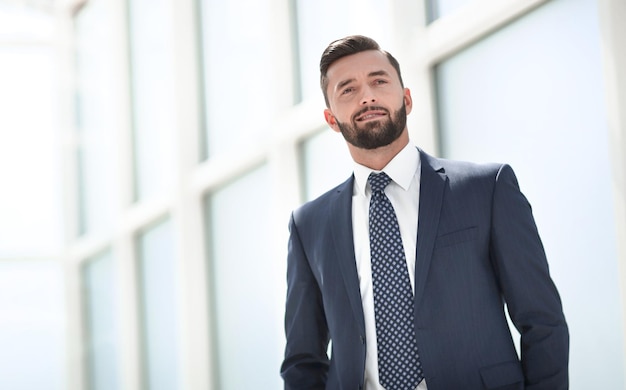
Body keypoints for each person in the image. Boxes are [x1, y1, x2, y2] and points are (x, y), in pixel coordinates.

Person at [280, 35, 568, 390]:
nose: (367, 95)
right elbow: (302, 359)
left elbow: (542, 323)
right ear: (331, 119)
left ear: (407, 98)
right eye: (348, 90)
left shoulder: (486, 188)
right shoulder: (309, 225)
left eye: (379, 81)